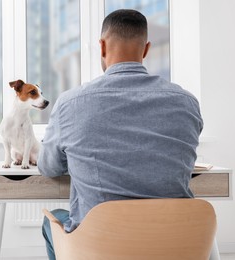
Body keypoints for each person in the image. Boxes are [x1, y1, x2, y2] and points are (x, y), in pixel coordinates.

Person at [37, 9, 203, 260]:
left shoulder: (70, 104)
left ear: (102, 47)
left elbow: (49, 167)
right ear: (145, 49)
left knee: (54, 221)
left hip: (99, 247)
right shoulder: (187, 103)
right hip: (173, 245)